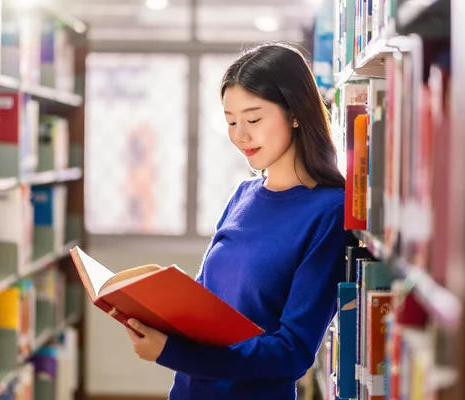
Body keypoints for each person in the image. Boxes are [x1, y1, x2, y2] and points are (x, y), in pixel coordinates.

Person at [125, 42, 354, 399]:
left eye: (253, 119)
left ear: (295, 112)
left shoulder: (329, 211)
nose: (239, 136)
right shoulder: (244, 194)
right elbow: (205, 303)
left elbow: (292, 352)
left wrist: (171, 352)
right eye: (231, 121)